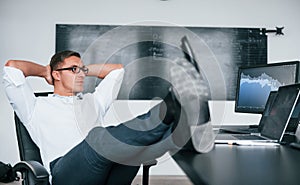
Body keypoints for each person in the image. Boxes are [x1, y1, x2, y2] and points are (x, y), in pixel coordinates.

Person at [3, 50, 214, 184]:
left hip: (106, 171)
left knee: (133, 150)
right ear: (56, 74)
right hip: (65, 174)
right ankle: (170, 108)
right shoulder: (34, 106)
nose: (82, 74)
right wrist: (45, 71)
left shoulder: (93, 100)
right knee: (98, 138)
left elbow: (117, 71)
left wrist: (79, 69)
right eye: (74, 70)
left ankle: (185, 131)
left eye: (83, 70)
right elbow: (12, 68)